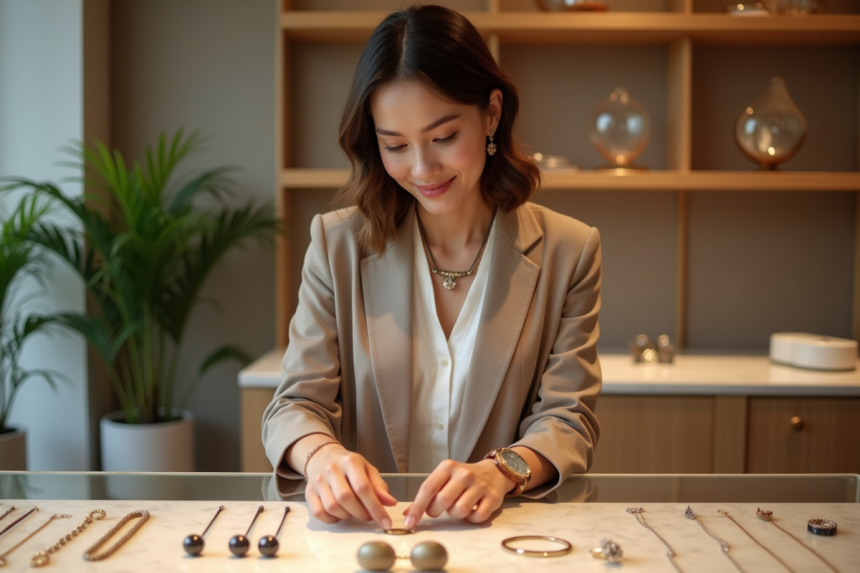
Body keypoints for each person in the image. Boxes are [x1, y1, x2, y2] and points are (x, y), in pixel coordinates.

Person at [262, 4, 601, 532]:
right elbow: (295, 404)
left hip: (502, 538)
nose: (422, 169)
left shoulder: (569, 250)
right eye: (395, 145)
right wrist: (320, 457)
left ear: (491, 114)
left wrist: (503, 470)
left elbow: (568, 419)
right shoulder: (336, 244)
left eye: (443, 137)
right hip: (367, 537)